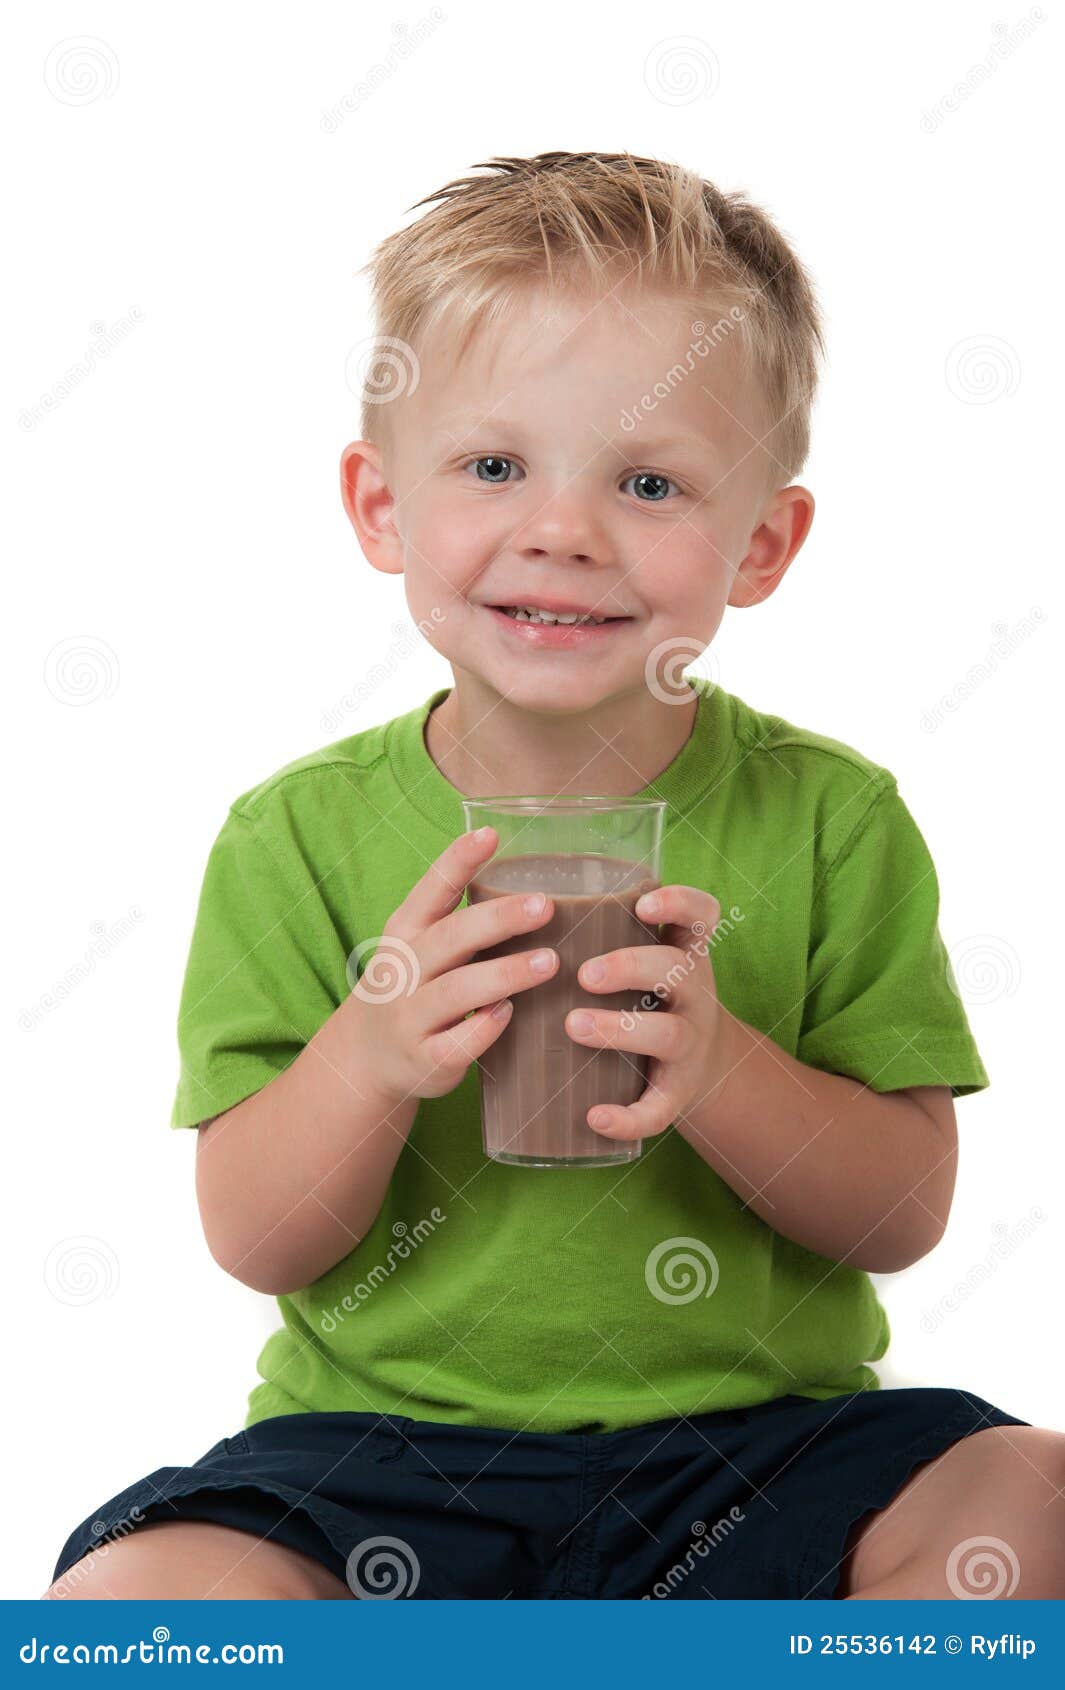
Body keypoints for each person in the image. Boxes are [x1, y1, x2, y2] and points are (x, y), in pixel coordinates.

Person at [45, 152, 1063, 1601]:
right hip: (378, 1460)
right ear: (381, 507)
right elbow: (256, 1235)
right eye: (493, 466)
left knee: (1027, 1500)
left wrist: (719, 1072)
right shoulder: (294, 833)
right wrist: (372, 1054)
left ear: (759, 542)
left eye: (647, 481)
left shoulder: (834, 816)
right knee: (133, 1605)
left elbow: (899, 1214)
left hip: (759, 1452)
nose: (562, 530)